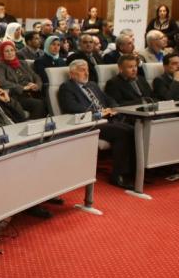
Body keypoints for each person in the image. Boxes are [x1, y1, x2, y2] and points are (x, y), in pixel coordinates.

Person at [57, 60, 136, 189]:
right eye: (82, 70)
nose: (86, 73)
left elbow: (108, 99)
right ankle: (118, 175)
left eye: (87, 70)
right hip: (89, 123)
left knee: (133, 129)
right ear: (72, 74)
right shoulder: (66, 87)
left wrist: (113, 107)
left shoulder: (92, 84)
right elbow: (71, 107)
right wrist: (98, 113)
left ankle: (133, 170)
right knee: (123, 133)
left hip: (107, 118)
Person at [0, 40, 47, 119]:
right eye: (7, 51)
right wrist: (23, 88)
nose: (10, 53)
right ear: (2, 53)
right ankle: (32, 125)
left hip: (31, 92)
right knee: (39, 104)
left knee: (47, 100)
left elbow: (36, 76)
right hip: (15, 96)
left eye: (12, 50)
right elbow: (2, 82)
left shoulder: (22, 63)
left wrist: (36, 85)